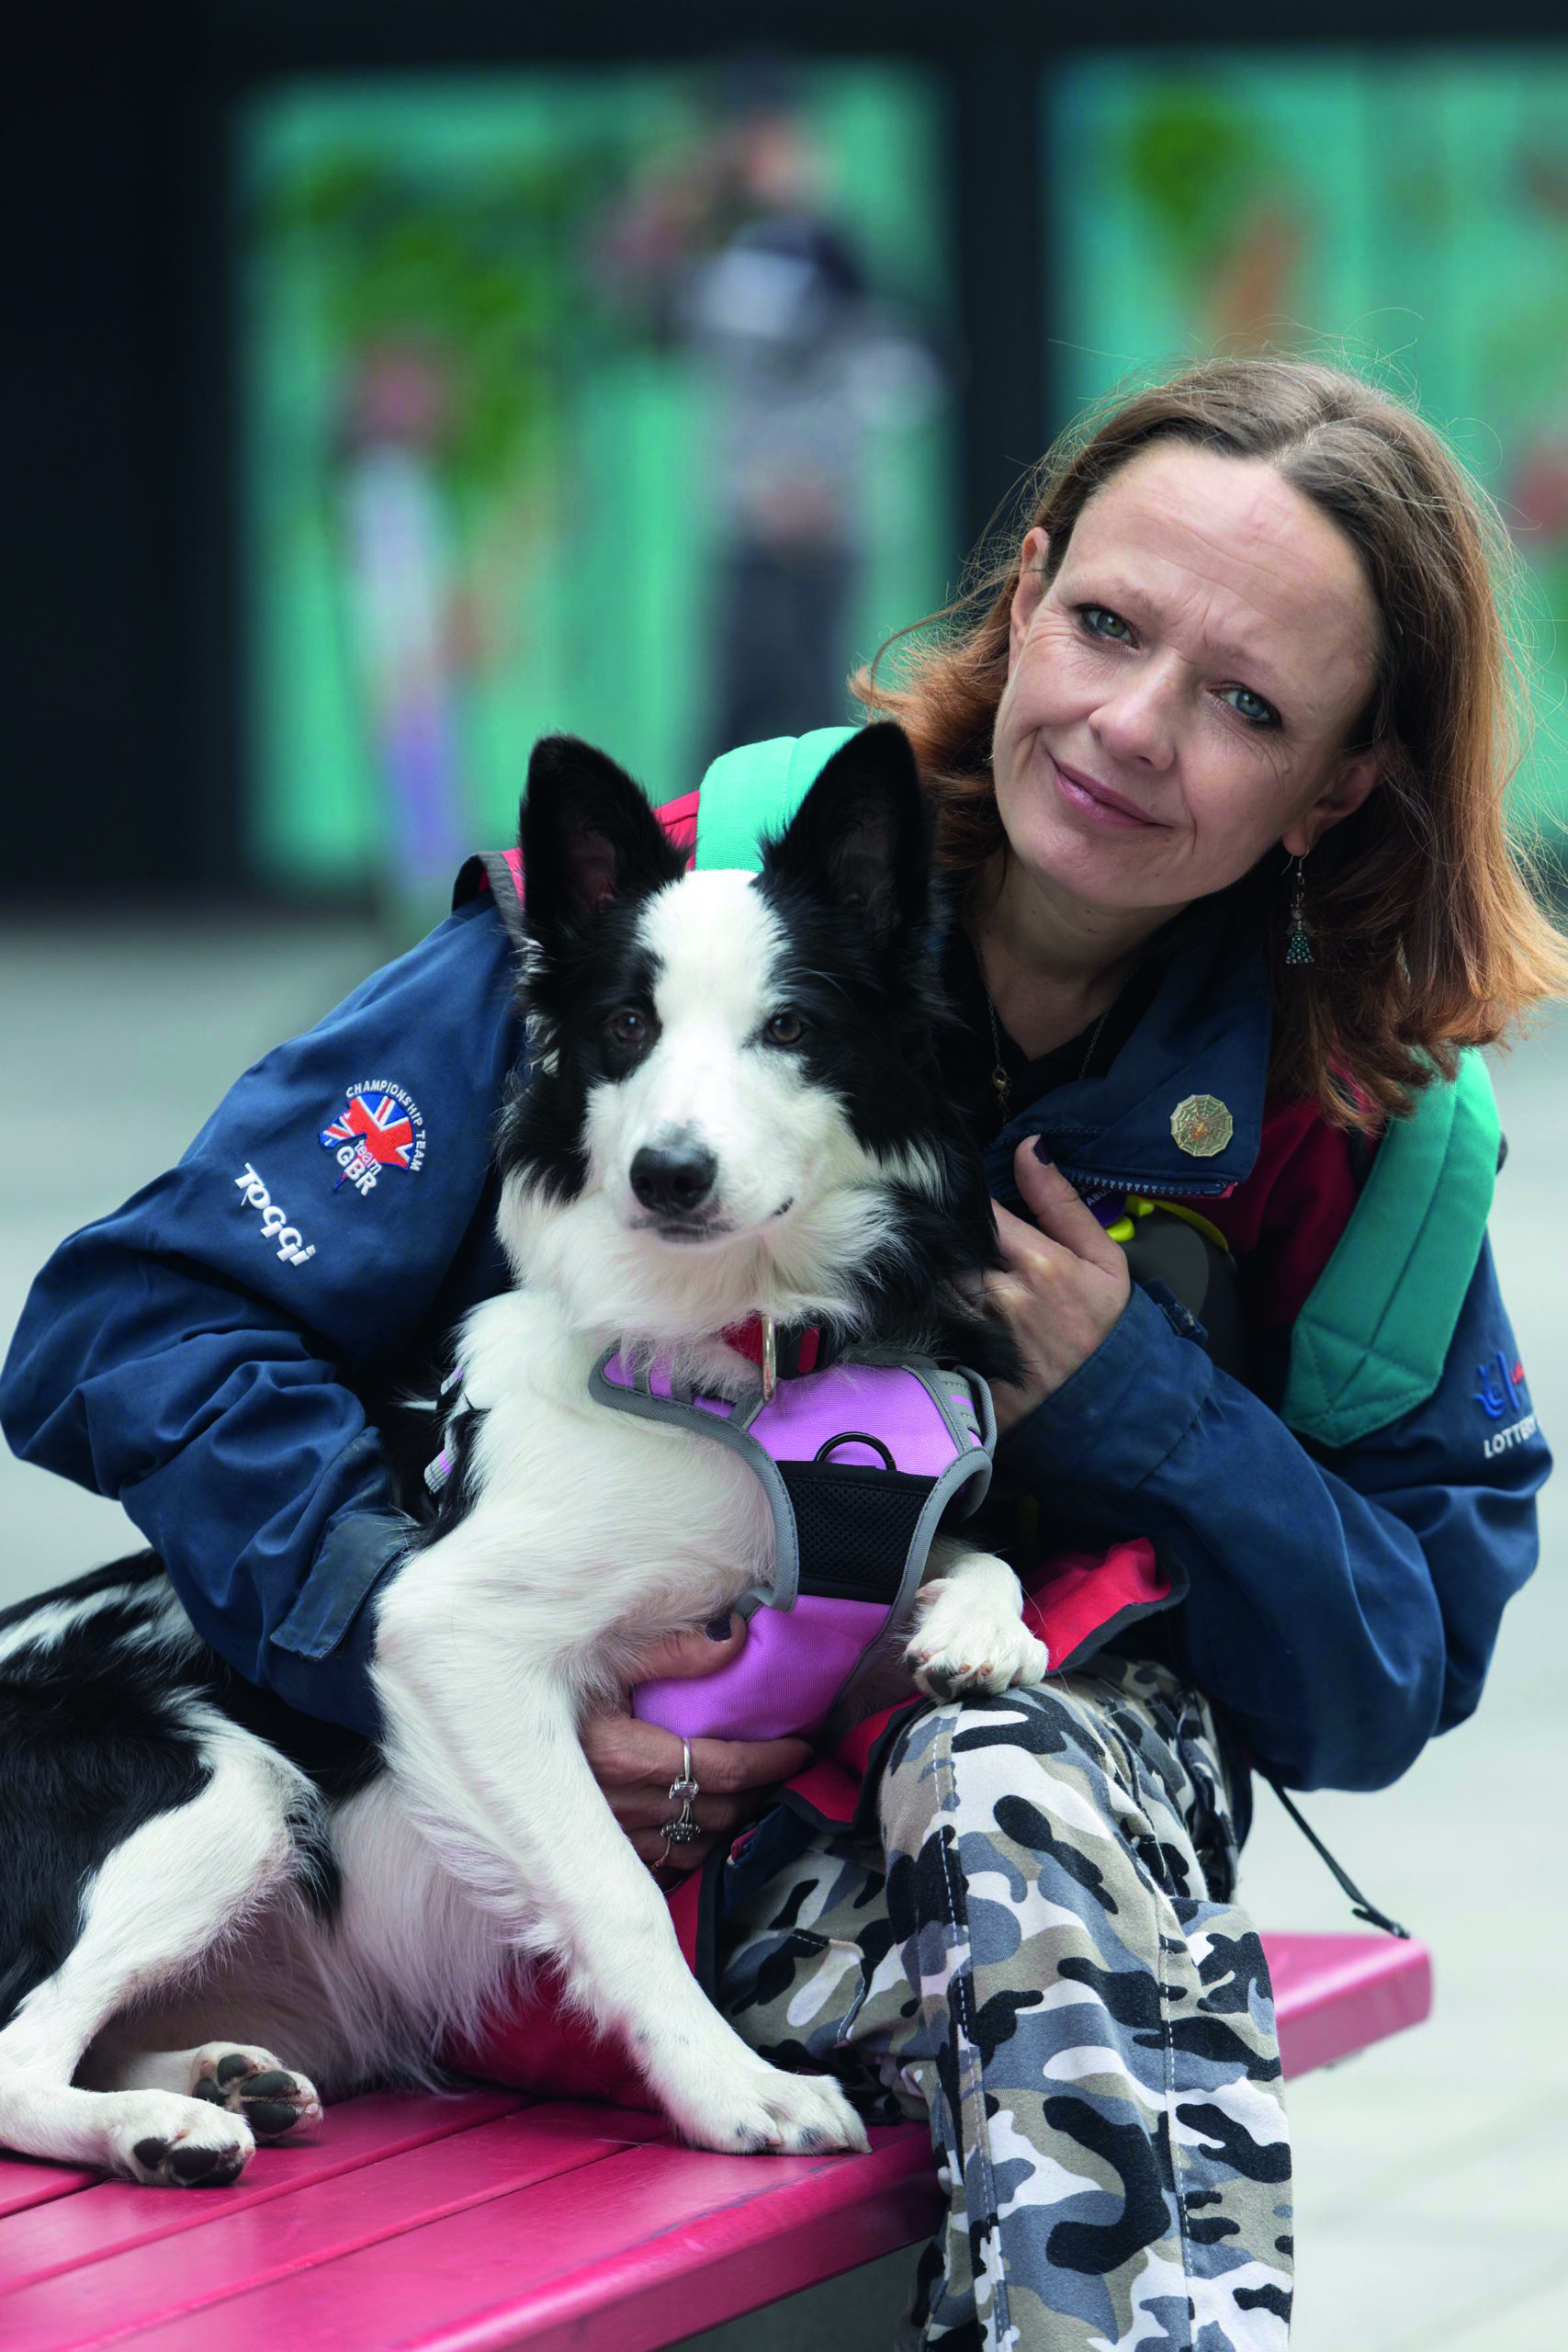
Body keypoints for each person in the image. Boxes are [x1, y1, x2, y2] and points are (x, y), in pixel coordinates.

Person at [2, 358, 1561, 2351]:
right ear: (1025, 597)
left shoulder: (1360, 1115)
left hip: (978, 1857)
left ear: (1342, 781)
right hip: (486, 1858)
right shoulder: (680, 912)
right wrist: (419, 1637)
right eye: (1103, 626)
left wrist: (1136, 1404)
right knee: (1084, 2020)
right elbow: (133, 1314)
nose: (1130, 727)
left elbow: (1391, 1665)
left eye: (1248, 704)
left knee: (1020, 1787)